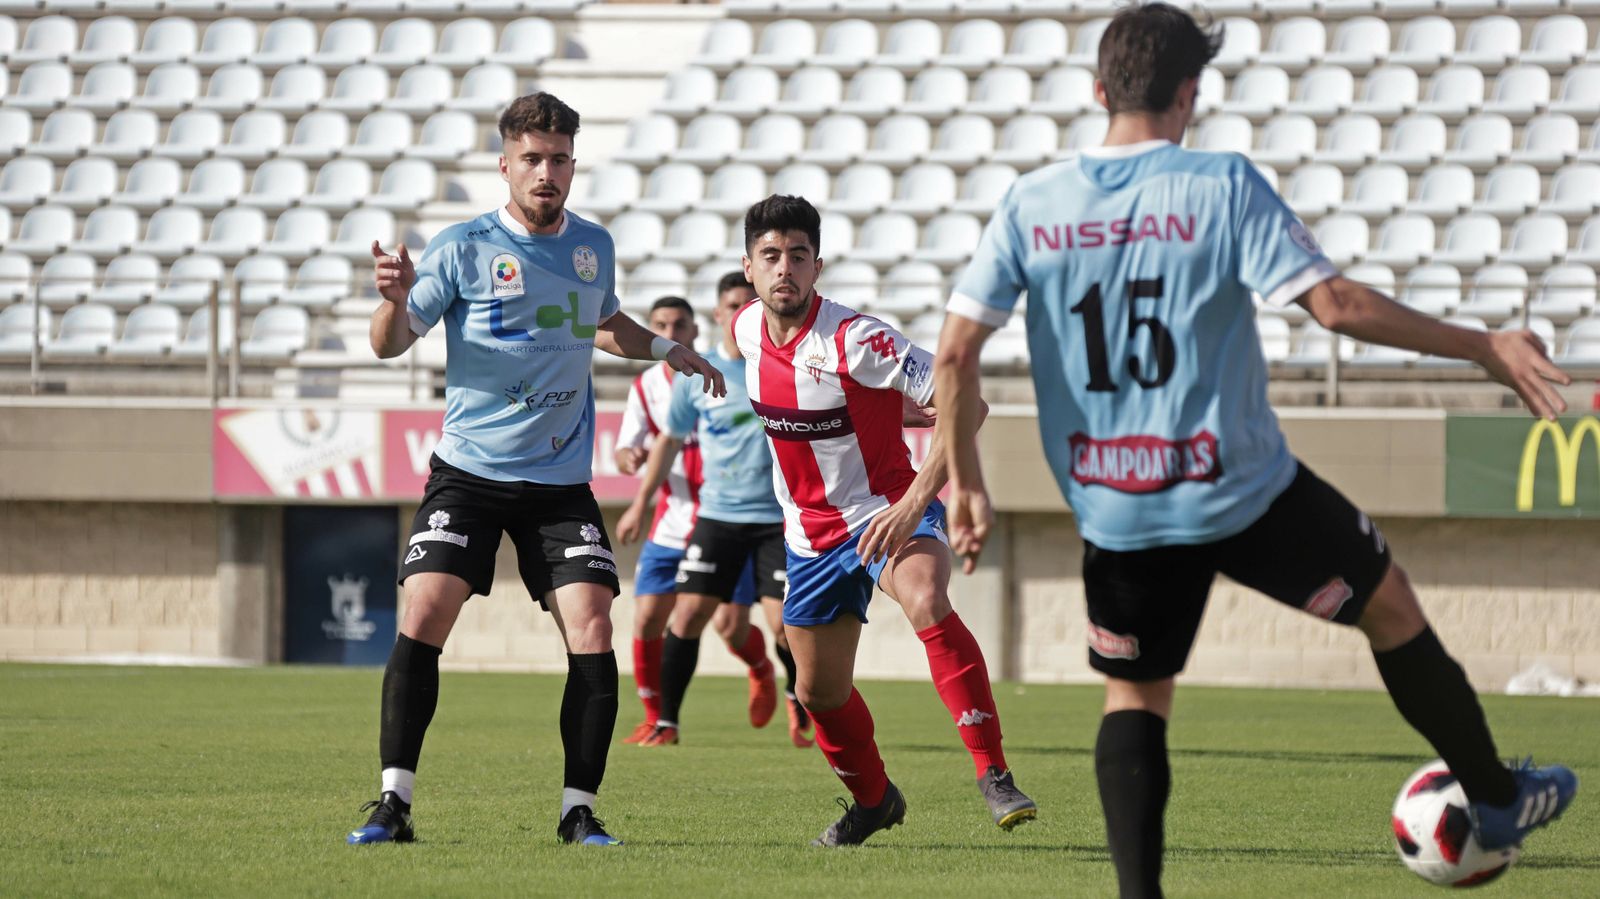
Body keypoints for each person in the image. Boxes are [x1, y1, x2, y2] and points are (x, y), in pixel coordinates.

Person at [933, 6, 1579, 897]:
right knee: (1389, 606)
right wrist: (1484, 346)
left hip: (1116, 508)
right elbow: (1336, 307)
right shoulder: (1221, 184)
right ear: (1189, 94)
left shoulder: (1031, 202)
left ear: (1099, 91)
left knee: (1136, 696)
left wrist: (966, 483)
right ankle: (1497, 799)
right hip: (1242, 490)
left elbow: (954, 355)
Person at [350, 92, 724, 849]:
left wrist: (664, 348)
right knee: (423, 611)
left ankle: (578, 812)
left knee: (593, 624)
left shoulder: (593, 246)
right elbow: (389, 343)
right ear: (505, 165)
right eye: (531, 159)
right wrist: (392, 300)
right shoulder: (463, 247)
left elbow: (601, 322)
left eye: (558, 159)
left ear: (573, 165)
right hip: (469, 472)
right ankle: (393, 804)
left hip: (558, 484)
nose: (545, 172)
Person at [730, 194, 1038, 847]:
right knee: (818, 692)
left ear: (818, 266)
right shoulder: (746, 330)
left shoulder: (858, 338)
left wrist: (914, 501)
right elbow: (833, 408)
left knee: (926, 597)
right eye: (771, 256)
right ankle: (874, 803)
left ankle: (994, 773)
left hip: (887, 511)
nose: (785, 268)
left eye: (799, 256)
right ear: (749, 268)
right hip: (808, 538)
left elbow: (968, 405)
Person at [617, 274, 812, 749]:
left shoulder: (786, 368)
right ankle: (666, 722)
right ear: (719, 314)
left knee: (785, 627)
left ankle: (801, 699)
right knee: (685, 618)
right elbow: (668, 441)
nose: (742, 312)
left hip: (778, 521)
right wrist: (640, 504)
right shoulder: (698, 377)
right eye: (733, 305)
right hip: (718, 518)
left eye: (750, 303)